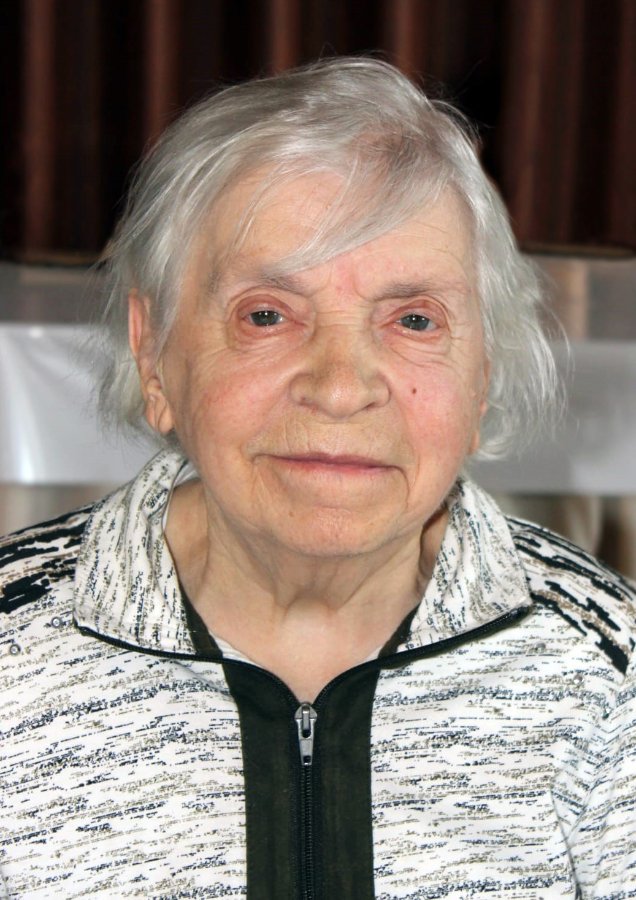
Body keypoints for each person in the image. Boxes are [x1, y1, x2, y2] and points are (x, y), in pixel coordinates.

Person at [0, 57, 634, 900]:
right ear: (154, 354)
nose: (340, 387)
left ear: (481, 377)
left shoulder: (611, 671)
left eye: (415, 320)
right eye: (267, 315)